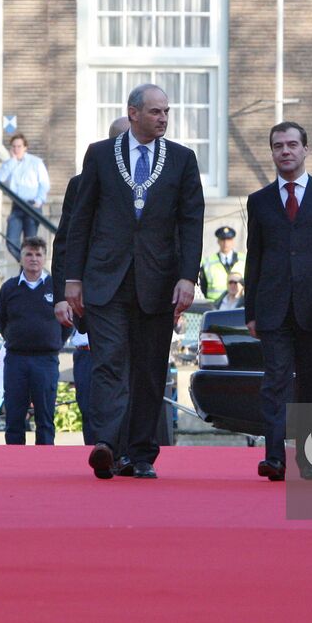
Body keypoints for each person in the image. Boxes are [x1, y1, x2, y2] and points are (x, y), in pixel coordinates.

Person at [63, 84, 205, 480]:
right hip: (106, 279)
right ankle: (106, 444)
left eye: (166, 112)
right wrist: (73, 278)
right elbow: (82, 219)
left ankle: (140, 454)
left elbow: (191, 223)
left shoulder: (181, 159)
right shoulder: (100, 155)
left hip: (158, 282)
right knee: (109, 361)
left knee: (148, 368)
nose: (163, 118)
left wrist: (186, 277)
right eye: (156, 111)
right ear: (133, 113)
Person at [244, 122, 312, 481]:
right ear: (272, 152)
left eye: (292, 145)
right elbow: (254, 257)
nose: (285, 151)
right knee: (274, 382)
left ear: (306, 150)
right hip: (273, 309)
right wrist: (251, 312)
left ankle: (310, 460)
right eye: (278, 146)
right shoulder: (259, 201)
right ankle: (274, 457)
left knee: (310, 383)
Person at [52, 117, 130, 448]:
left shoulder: (159, 177)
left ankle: (133, 447)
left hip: (144, 291)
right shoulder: (82, 183)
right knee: (107, 366)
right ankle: (104, 443)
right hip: (99, 293)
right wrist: (61, 294)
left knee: (137, 371)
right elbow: (66, 241)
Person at [0, 236, 63, 445]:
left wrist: (54, 341)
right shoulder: (9, 288)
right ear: (21, 258)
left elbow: (67, 322)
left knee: (45, 418)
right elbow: (2, 322)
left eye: (38, 254)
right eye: (29, 254)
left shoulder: (56, 286)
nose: (33, 259)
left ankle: (45, 464)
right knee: (14, 417)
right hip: (16, 360)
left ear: (45, 258)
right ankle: (14, 465)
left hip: (46, 360)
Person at [0, 132, 50, 260]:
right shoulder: (9, 163)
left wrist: (39, 200)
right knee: (11, 241)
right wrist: (12, 161)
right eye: (14, 146)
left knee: (30, 244)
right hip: (17, 206)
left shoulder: (35, 162)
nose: (16, 149)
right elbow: (0, 178)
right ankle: (25, 264)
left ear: (25, 147)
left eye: (19, 146)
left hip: (32, 205)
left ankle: (27, 271)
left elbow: (44, 183)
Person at [199, 226, 244, 300]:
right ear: (218, 241)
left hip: (239, 304)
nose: (225, 243)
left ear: (233, 241)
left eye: (228, 240)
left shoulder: (243, 260)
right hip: (215, 304)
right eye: (223, 240)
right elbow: (204, 285)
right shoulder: (208, 262)